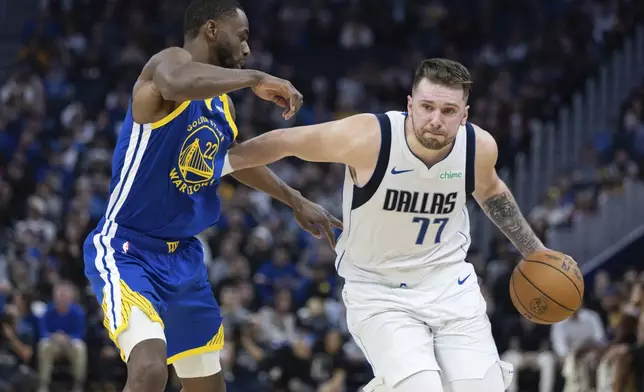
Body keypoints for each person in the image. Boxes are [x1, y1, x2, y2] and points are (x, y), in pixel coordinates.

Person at [225, 58, 573, 391]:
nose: (435, 119)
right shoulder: (369, 138)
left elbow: (492, 191)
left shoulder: (478, 148)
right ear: (410, 104)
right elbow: (286, 142)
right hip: (379, 291)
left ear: (464, 115)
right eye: (427, 107)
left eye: (449, 111)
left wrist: (535, 251)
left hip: (449, 284)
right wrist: (218, 164)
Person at [82, 0, 342, 391]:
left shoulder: (222, 105)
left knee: (208, 386)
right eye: (242, 36)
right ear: (211, 30)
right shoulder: (165, 64)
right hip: (127, 249)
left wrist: (294, 199)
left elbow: (233, 160)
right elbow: (176, 83)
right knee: (150, 370)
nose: (248, 48)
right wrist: (256, 78)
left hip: (183, 257)